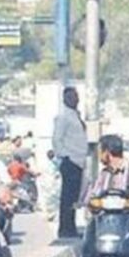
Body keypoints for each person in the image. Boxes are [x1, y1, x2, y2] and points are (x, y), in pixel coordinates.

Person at [53, 86, 88, 238]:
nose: (73, 99)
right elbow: (57, 139)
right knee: (67, 197)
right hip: (70, 160)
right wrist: (64, 156)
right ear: (64, 99)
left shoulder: (76, 115)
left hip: (79, 160)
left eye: (75, 96)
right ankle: (65, 228)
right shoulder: (63, 117)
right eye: (70, 97)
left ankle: (71, 226)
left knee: (74, 198)